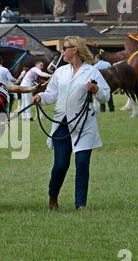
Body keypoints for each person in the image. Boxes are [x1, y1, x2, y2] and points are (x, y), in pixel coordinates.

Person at [32, 36, 110, 211]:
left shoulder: (92, 72)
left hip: (84, 124)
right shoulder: (60, 72)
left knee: (82, 164)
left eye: (65, 48)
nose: (62, 51)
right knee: (60, 164)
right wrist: (41, 97)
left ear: (74, 50)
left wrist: (96, 89)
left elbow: (106, 96)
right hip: (61, 123)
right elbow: (52, 94)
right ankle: (53, 196)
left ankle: (80, 203)